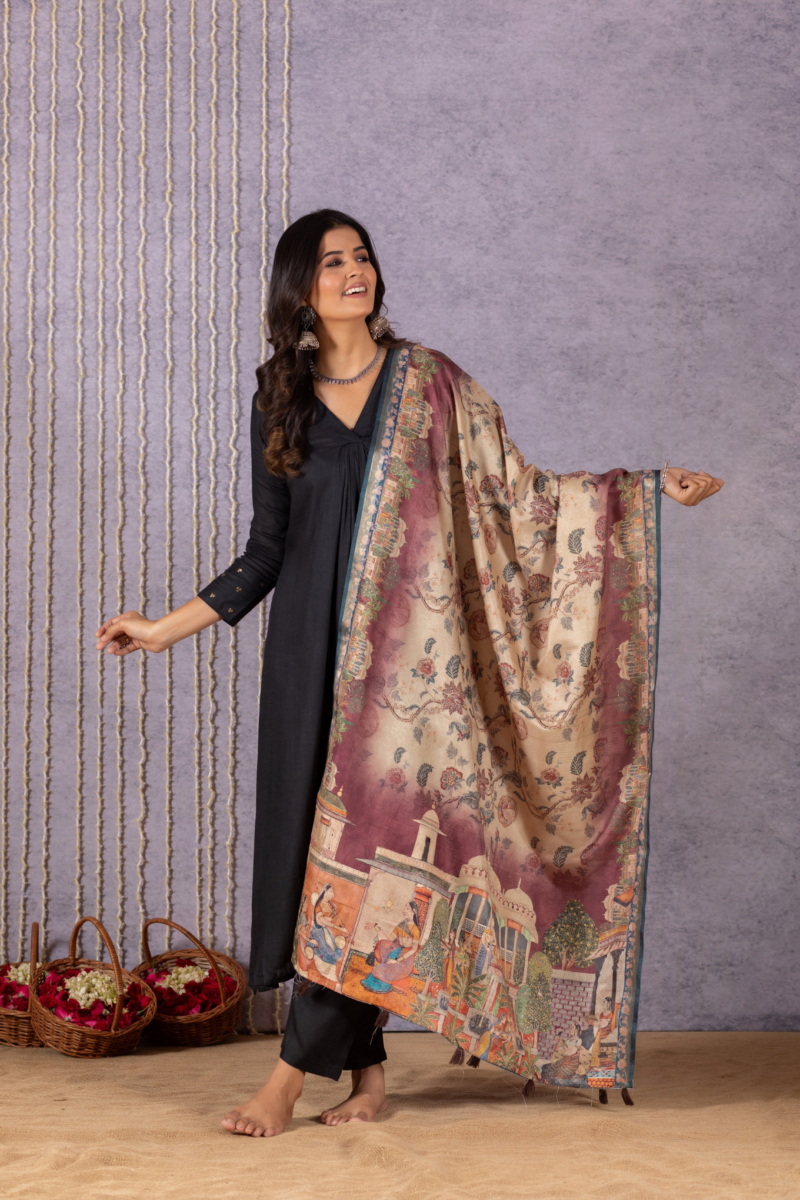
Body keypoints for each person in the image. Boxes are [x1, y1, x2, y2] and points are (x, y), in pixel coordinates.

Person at [95, 208, 724, 1137]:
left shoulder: (430, 383)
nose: (354, 271)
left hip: (408, 681)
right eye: (331, 262)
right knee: (314, 860)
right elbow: (266, 551)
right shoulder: (279, 397)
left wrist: (641, 489)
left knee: (364, 852)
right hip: (307, 658)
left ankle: (286, 1080)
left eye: (362, 257)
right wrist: (162, 630)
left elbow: (519, 497)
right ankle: (370, 1075)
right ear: (300, 289)